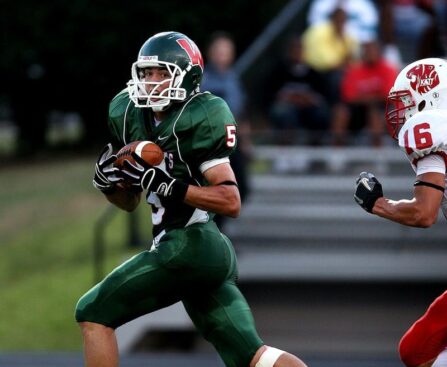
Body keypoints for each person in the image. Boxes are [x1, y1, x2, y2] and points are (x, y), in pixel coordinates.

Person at [75, 31, 308, 367]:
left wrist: (173, 187)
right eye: (147, 73)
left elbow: (231, 200)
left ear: (188, 76)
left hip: (189, 245)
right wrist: (109, 185)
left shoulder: (201, 114)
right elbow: (130, 202)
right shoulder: (129, 113)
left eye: (162, 73)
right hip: (200, 253)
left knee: (92, 312)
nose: (151, 82)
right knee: (253, 357)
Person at [353, 57, 447, 367]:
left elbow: (424, 212)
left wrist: (379, 204)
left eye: (407, 101)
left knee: (417, 351)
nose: (400, 111)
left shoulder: (432, 128)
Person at [200, 31, 251, 230]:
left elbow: (241, 110)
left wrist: (246, 141)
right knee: (216, 188)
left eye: (227, 51)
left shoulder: (233, 78)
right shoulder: (203, 79)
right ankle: (213, 232)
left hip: (232, 140)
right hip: (212, 142)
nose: (223, 55)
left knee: (242, 187)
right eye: (219, 51)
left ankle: (218, 230)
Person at [331, 40, 398, 146]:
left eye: (371, 50)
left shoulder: (388, 69)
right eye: (366, 51)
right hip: (357, 109)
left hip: (381, 107)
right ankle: (337, 154)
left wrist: (364, 97)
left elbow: (388, 95)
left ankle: (377, 154)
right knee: (341, 112)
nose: (368, 53)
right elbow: (348, 95)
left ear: (378, 52)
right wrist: (372, 97)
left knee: (374, 115)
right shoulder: (354, 70)